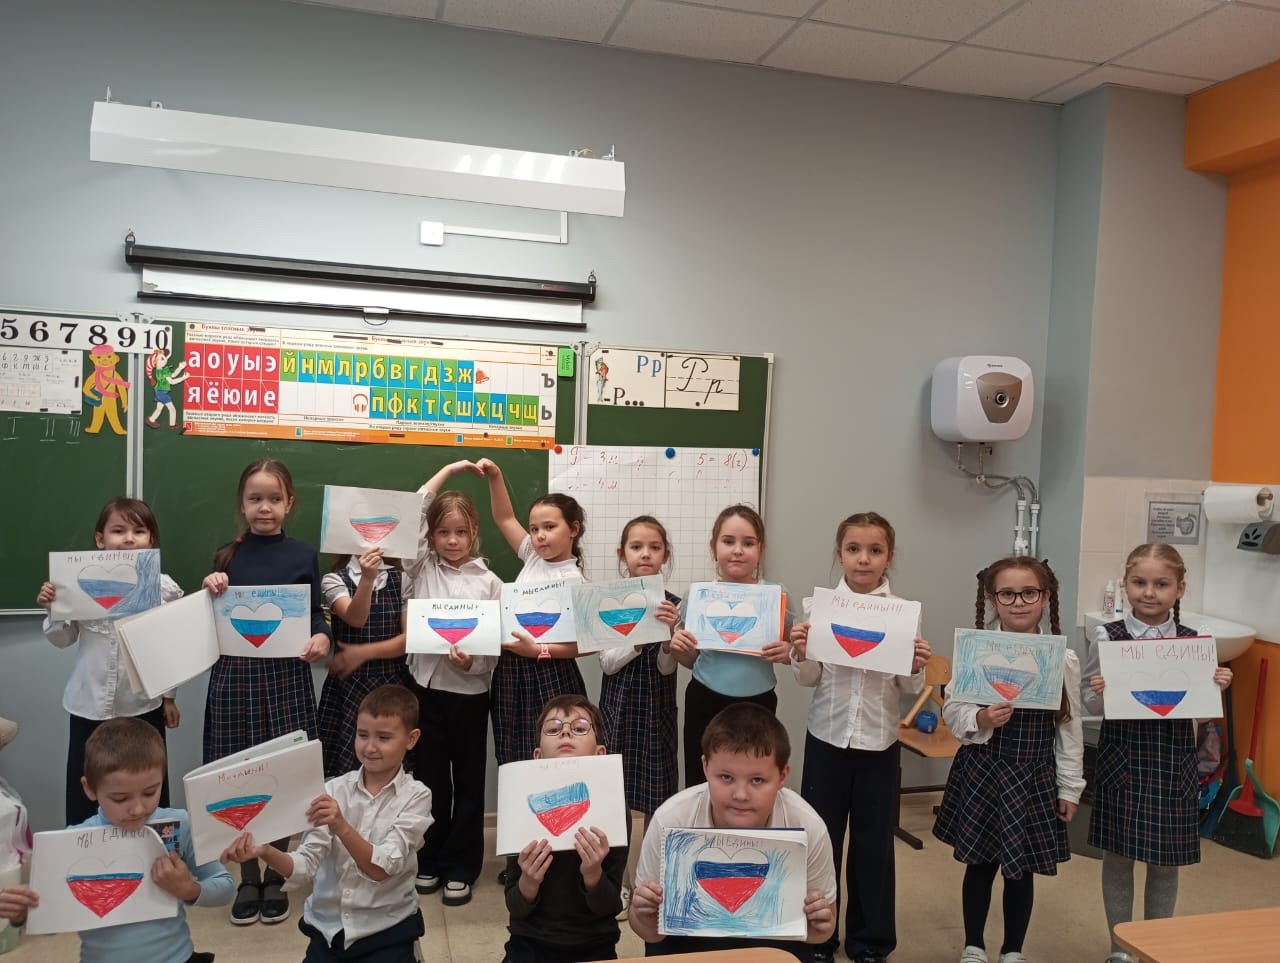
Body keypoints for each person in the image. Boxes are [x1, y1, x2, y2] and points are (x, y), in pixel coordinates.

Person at [789, 512, 931, 963]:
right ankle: (818, 937)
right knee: (821, 841)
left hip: (878, 742)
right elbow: (809, 679)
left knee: (874, 847)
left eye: (874, 550)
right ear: (840, 554)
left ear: (889, 556)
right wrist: (800, 651)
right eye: (853, 549)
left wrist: (916, 664)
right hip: (826, 737)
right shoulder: (819, 609)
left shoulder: (903, 613)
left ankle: (870, 942)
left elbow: (908, 685)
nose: (863, 559)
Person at [1083, 544, 1232, 963]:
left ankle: (1155, 947)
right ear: (1125, 585)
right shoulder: (1107, 637)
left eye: (1161, 584)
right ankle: (1120, 949)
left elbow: (1203, 712)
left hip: (1173, 761)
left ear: (1179, 589)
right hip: (1123, 757)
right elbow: (1089, 705)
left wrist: (1217, 686)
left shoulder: (1194, 643)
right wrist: (1098, 692)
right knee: (1118, 856)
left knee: (1167, 861)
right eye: (1139, 582)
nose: (1149, 592)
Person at [932, 557, 1084, 963]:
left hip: (1034, 775)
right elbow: (953, 711)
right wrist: (981, 718)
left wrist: (1070, 787)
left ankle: (1013, 949)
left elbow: (1070, 729)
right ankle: (973, 945)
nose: (1018, 602)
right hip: (984, 770)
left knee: (1022, 868)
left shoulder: (1063, 659)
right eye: (1008, 594)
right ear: (992, 598)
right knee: (980, 863)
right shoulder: (977, 650)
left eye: (1029, 593)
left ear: (1045, 597)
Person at [201, 458, 332, 927]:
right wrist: (209, 588)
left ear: (289, 504)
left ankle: (276, 873)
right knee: (237, 778)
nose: (264, 508)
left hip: (285, 679)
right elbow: (207, 621)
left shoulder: (303, 554)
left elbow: (315, 614)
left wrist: (323, 637)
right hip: (235, 680)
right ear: (242, 504)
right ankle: (247, 877)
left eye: (274, 499)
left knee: (284, 774)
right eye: (255, 499)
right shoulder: (225, 557)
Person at [222, 685, 432, 963]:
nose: (370, 747)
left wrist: (341, 826)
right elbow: (305, 865)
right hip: (328, 929)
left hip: (387, 928)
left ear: (411, 739)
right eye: (362, 735)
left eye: (383, 737)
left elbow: (383, 868)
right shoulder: (332, 790)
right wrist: (265, 851)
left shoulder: (416, 796)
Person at [0, 718, 234, 963]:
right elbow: (55, 921)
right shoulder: (73, 840)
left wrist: (188, 889)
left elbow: (225, 886)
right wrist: (23, 914)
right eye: (120, 798)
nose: (138, 808)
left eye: (150, 792)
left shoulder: (179, 825)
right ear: (89, 789)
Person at [629, 702, 837, 960]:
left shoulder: (809, 826)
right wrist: (644, 916)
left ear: (783, 776)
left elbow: (820, 932)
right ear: (705, 767)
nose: (740, 795)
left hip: (774, 942)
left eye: (757, 780)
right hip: (686, 942)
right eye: (726, 777)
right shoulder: (669, 819)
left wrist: (820, 927)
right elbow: (649, 934)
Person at [36, 496, 184, 825]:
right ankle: (84, 848)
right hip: (88, 704)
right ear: (100, 539)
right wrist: (54, 608)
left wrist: (170, 697)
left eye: (139, 531)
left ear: (151, 540)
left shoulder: (163, 587)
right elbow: (62, 639)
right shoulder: (76, 580)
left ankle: (153, 849)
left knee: (146, 784)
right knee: (87, 789)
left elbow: (169, 647)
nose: (129, 539)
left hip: (142, 704)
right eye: (118, 531)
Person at [404, 460, 502, 907]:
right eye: (443, 532)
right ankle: (429, 860)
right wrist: (449, 469)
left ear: (474, 533)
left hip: (469, 695)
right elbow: (413, 511)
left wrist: (471, 663)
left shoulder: (490, 582)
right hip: (424, 692)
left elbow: (492, 650)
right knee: (429, 782)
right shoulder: (422, 568)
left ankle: (462, 867)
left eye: (461, 532)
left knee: (468, 783)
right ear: (431, 535)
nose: (452, 541)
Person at [669, 505, 793, 787]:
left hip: (758, 704)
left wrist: (788, 652)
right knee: (702, 781)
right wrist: (678, 646)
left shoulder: (776, 596)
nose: (737, 550)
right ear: (714, 548)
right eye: (728, 542)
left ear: (761, 550)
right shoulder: (697, 596)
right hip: (705, 700)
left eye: (748, 543)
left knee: (752, 780)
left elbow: (790, 651)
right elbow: (690, 659)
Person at [477, 458, 589, 769]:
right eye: (535, 529)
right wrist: (496, 475)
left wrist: (539, 651)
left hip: (550, 672)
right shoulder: (532, 556)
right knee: (514, 753)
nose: (540, 536)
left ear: (573, 529)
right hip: (511, 673)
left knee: (556, 749)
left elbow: (586, 646)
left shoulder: (575, 581)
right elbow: (503, 517)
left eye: (550, 527)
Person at [502, 695, 626, 963]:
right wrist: (529, 881)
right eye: (553, 728)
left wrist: (593, 874)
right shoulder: (520, 807)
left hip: (594, 944)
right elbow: (515, 906)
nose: (566, 732)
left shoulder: (613, 810)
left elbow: (610, 906)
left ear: (600, 753)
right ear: (538, 756)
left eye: (580, 727)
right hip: (530, 942)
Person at [599, 515, 682, 912]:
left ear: (665, 554)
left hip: (656, 710)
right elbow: (607, 662)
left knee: (657, 798)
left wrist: (667, 638)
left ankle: (652, 879)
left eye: (654, 547)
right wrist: (638, 638)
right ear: (622, 554)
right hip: (617, 709)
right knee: (614, 797)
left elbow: (668, 668)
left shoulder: (673, 606)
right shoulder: (606, 600)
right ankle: (617, 879)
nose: (645, 555)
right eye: (636, 547)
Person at [316, 548, 413, 779]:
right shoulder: (334, 579)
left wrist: (363, 653)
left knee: (391, 761)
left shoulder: (404, 579)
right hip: (349, 687)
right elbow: (355, 618)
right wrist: (368, 578)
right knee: (349, 768)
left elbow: (409, 639)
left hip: (393, 683)